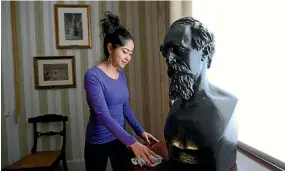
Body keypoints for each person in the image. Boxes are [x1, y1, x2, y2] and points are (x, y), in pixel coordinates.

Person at [84, 11, 159, 171]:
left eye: (130, 53)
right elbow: (103, 116)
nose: (128, 58)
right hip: (98, 141)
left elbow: (125, 107)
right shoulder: (93, 76)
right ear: (110, 48)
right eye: (125, 52)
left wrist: (141, 132)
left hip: (119, 138)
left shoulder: (121, 75)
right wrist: (132, 142)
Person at [160, 17, 238, 171]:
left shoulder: (228, 107)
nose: (169, 59)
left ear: (204, 53)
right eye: (165, 51)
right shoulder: (175, 110)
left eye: (178, 50)